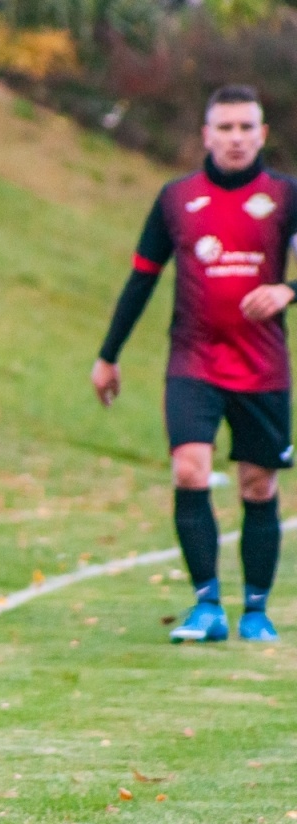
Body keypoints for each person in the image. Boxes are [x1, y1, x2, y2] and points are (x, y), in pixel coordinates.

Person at [93, 84, 297, 643]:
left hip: (264, 368)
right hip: (194, 361)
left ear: (262, 134)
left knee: (258, 485)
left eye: (245, 127)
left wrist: (288, 291)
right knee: (189, 468)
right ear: (206, 134)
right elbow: (141, 277)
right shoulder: (176, 199)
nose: (235, 138)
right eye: (225, 128)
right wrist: (108, 355)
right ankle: (207, 605)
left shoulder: (286, 196)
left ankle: (256, 610)